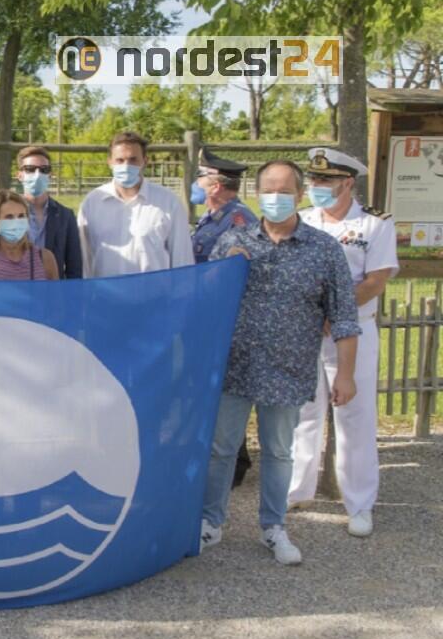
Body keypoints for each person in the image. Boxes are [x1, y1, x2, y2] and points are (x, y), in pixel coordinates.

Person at [200, 159, 360, 566]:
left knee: (279, 451)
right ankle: (210, 521)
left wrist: (345, 374)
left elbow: (344, 315)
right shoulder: (234, 240)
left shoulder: (323, 250)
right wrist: (224, 268)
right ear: (257, 194)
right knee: (221, 448)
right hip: (234, 366)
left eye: (285, 191)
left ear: (300, 195)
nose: (275, 198)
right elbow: (205, 300)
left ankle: (273, 526)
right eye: (268, 191)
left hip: (287, 369)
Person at [289, 148, 398, 538]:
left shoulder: (374, 225)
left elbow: (375, 281)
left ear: (348, 183)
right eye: (314, 180)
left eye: (325, 180)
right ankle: (297, 490)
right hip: (307, 331)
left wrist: (334, 313)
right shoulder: (302, 221)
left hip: (353, 332)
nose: (317, 186)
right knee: (303, 411)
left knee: (354, 417)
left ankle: (360, 503)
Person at [188, 148, 260, 489]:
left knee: (227, 392)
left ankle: (234, 466)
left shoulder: (239, 220)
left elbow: (240, 273)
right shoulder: (212, 217)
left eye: (200, 177)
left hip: (227, 320)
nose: (196, 183)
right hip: (207, 316)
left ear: (215, 185)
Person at [78, 131, 194, 277]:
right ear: (110, 162)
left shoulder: (168, 202)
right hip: (105, 290)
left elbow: (182, 258)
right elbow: (83, 257)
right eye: (120, 160)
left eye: (133, 160)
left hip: (153, 290)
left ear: (145, 161)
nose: (126, 166)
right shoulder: (92, 203)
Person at [15, 145, 83, 278]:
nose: (37, 174)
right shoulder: (6, 215)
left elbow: (74, 267)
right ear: (19, 175)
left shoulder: (65, 216)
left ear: (50, 175)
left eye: (44, 170)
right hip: (16, 286)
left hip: (52, 287)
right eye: (30, 169)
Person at [0, 189, 58, 281]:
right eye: (9, 217)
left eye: (21, 216)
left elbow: (55, 292)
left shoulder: (45, 259)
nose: (16, 222)